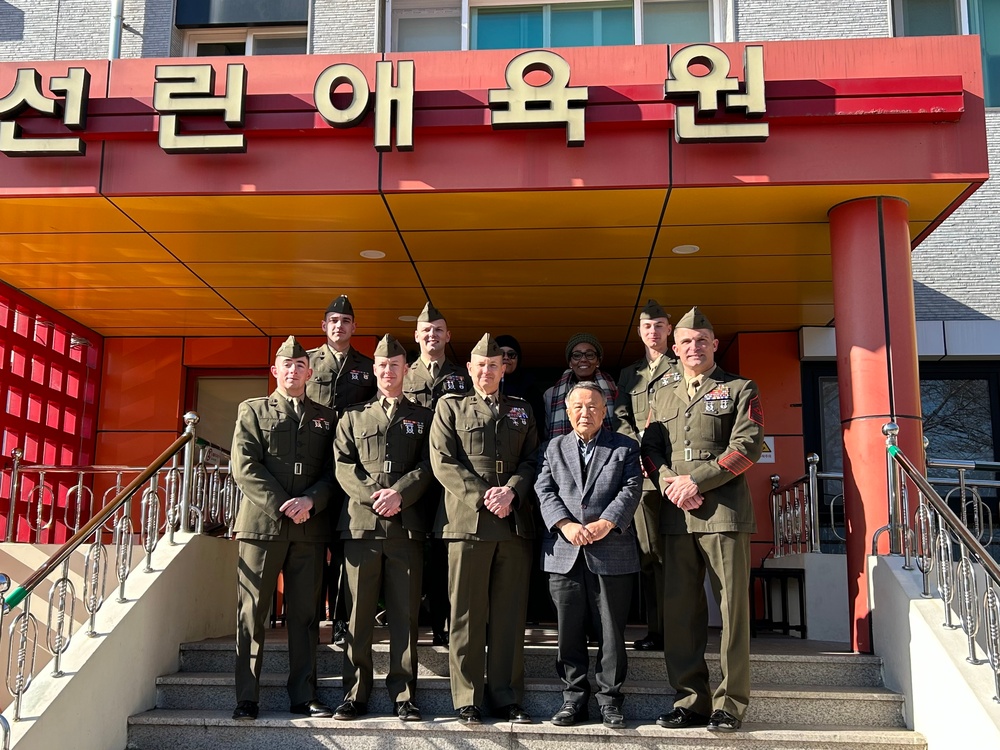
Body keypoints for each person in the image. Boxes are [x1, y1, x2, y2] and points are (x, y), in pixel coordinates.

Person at [641, 307, 764, 734]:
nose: (694, 348)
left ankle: (730, 703)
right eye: (686, 342)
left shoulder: (739, 388)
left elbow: (747, 446)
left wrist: (697, 481)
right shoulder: (662, 394)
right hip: (676, 514)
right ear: (674, 349)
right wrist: (670, 481)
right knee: (679, 612)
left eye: (702, 341)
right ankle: (690, 700)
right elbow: (650, 450)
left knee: (732, 611)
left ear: (714, 345)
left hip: (723, 514)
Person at [430, 333, 539, 725]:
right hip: (468, 523)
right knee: (467, 615)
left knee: (510, 616)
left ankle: (507, 696)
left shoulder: (522, 410)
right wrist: (483, 495)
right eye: (481, 365)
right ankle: (467, 698)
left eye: (495, 365)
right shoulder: (451, 407)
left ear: (503, 369)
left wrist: (511, 491)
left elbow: (533, 459)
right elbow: (443, 461)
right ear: (471, 369)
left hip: (513, 524)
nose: (488, 371)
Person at [230, 335, 337, 721]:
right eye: (286, 365)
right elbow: (245, 466)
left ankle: (303, 695)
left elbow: (332, 471)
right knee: (252, 612)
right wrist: (282, 505)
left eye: (300, 365)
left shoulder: (327, 417)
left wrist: (310, 502)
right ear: (275, 371)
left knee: (306, 616)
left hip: (309, 527)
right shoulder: (253, 410)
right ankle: (247, 697)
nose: (293, 371)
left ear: (310, 372)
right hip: (263, 527)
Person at [333, 334, 433, 722]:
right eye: (382, 365)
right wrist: (376, 495)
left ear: (406, 370)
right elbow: (343, 464)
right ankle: (355, 693)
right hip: (361, 527)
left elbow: (429, 465)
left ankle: (404, 694)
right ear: (373, 370)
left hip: (406, 528)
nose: (388, 371)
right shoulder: (352, 416)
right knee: (357, 613)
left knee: (405, 614)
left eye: (395, 364)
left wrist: (400, 495)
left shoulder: (423, 417)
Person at [535, 382, 642, 728]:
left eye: (593, 407)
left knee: (611, 631)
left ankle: (610, 701)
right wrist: (564, 524)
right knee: (568, 631)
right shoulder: (552, 447)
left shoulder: (625, 448)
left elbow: (631, 488)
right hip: (565, 552)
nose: (585, 413)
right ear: (567, 412)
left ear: (604, 411)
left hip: (611, 551)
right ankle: (573, 699)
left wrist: (607, 522)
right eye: (578, 407)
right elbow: (543, 488)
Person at [306, 294, 377, 647]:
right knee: (314, 549)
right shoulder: (305, 363)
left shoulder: (367, 365)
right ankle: (304, 620)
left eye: (346, 321)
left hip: (351, 468)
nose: (339, 326)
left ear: (354, 327)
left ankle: (340, 622)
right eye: (334, 320)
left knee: (346, 547)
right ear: (324, 326)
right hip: (315, 466)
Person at [613, 299, 681, 652]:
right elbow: (621, 417)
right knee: (651, 555)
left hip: (678, 475)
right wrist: (635, 452)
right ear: (639, 332)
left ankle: (683, 628)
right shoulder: (629, 374)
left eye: (659, 325)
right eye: (646, 327)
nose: (653, 332)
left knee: (680, 554)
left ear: (669, 329)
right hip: (644, 476)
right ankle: (660, 630)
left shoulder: (684, 364)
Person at [403, 301, 472, 646]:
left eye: (439, 330)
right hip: (414, 476)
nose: (433, 335)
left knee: (445, 553)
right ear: (417, 335)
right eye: (426, 330)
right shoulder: (403, 374)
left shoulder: (463, 377)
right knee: (415, 551)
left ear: (448, 336)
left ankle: (443, 624)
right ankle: (411, 619)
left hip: (449, 478)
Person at [543, 333, 618, 440]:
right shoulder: (551, 394)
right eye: (577, 355)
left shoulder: (615, 390)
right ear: (570, 362)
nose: (583, 359)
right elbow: (546, 431)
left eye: (590, 354)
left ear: (598, 361)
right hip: (565, 453)